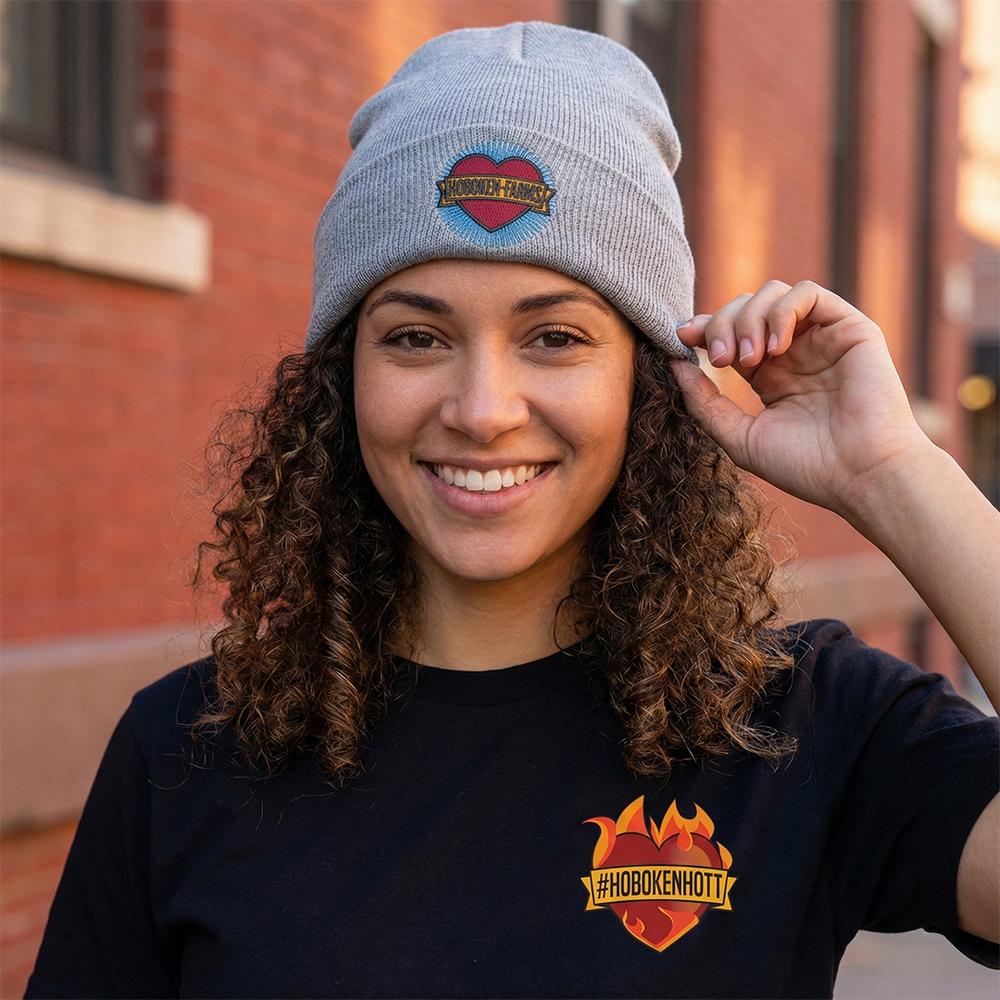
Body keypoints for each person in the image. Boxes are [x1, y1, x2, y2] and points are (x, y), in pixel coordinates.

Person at [27, 22, 998, 1000]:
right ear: (339, 383)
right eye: (414, 336)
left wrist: (890, 471)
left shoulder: (798, 727)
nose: (482, 409)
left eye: (554, 337)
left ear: (645, 386)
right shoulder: (188, 748)